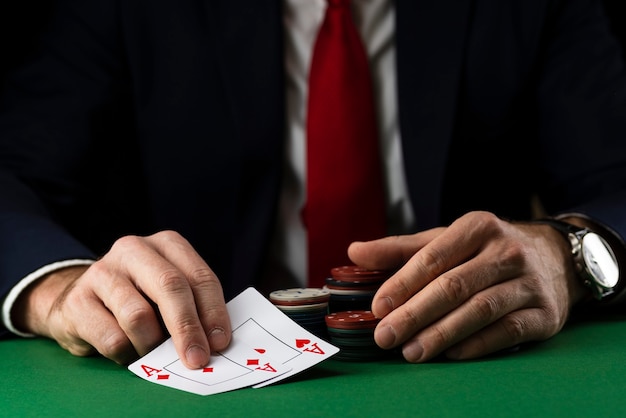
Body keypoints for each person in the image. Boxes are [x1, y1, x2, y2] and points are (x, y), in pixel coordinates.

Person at [1, 0, 626, 370]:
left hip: (465, 358)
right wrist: (53, 286)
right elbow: (12, 178)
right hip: (208, 363)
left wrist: (569, 256)